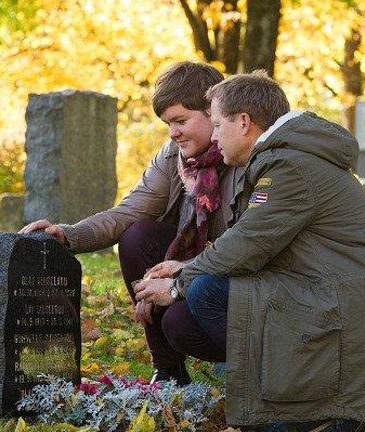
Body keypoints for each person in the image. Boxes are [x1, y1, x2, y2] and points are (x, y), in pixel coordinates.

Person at [134, 71, 365, 431]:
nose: (216, 135)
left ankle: (314, 409)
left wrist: (177, 284)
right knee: (206, 291)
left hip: (342, 313)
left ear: (244, 122)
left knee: (205, 292)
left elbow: (247, 244)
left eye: (219, 124)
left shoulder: (290, 166)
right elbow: (252, 242)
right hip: (327, 296)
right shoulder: (286, 159)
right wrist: (182, 270)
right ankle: (292, 402)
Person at [19, 61, 244, 385]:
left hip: (230, 277)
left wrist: (183, 272)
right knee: (138, 236)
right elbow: (127, 213)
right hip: (194, 268)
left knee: (178, 323)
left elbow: (248, 246)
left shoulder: (244, 156)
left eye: (181, 121)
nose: (173, 132)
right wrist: (68, 235)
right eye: (168, 123)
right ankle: (168, 369)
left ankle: (240, 358)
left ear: (214, 112)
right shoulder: (173, 158)